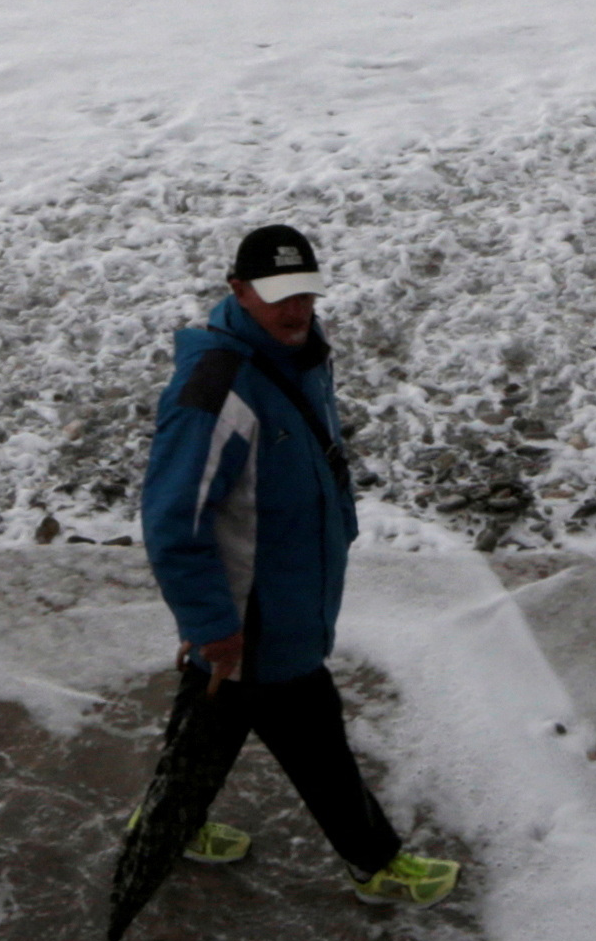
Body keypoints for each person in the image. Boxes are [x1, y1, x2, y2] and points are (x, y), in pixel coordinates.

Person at [138, 224, 458, 906]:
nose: (295, 310)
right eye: (279, 296)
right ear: (238, 290)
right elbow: (173, 519)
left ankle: (165, 828)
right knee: (316, 740)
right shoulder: (217, 391)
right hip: (256, 622)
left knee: (209, 721)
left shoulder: (296, 358)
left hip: (284, 600)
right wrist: (212, 622)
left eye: (305, 293)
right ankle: (376, 864)